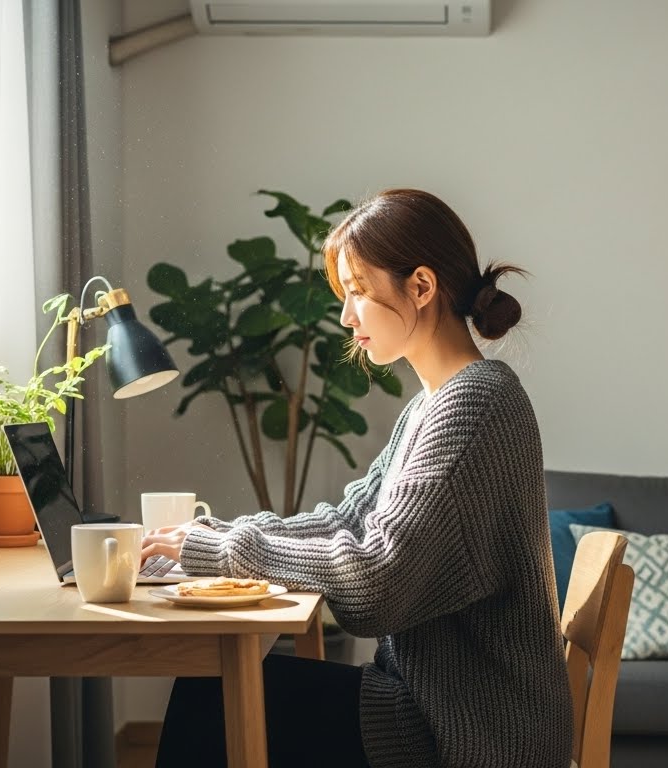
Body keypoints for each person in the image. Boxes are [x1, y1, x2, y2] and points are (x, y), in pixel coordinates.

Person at [141, 188, 573, 768]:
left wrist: (223, 551)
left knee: (209, 694)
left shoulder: (475, 405)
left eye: (358, 292)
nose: (345, 316)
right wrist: (212, 536)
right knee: (213, 689)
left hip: (462, 736)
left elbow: (376, 586)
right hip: (433, 709)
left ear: (421, 286)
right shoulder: (434, 406)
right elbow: (345, 521)